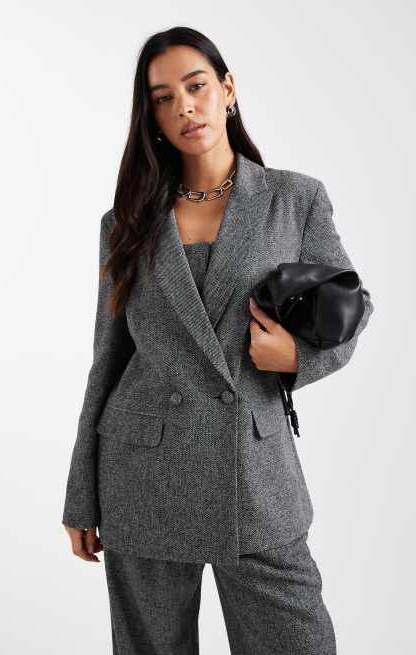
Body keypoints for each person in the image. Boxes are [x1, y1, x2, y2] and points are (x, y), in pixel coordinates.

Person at [62, 26, 374, 655]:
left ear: (227, 90)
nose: (183, 106)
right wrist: (81, 494)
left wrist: (297, 359)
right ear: (150, 116)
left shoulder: (293, 199)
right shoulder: (126, 223)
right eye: (163, 98)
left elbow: (353, 305)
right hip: (143, 474)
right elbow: (107, 360)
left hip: (254, 476)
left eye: (196, 86)